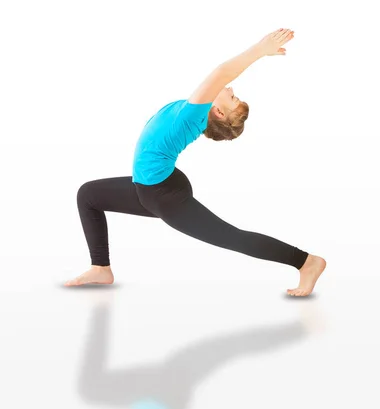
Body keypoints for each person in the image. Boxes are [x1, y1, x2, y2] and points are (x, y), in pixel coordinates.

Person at [65, 28, 326, 296]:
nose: (232, 89)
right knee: (88, 194)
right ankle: (101, 267)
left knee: (231, 237)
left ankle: (306, 262)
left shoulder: (193, 115)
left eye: (233, 98)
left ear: (220, 111)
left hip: (163, 196)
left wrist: (260, 50)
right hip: (152, 186)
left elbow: (221, 73)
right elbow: (219, 79)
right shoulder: (195, 111)